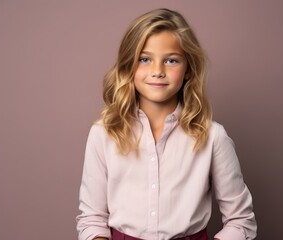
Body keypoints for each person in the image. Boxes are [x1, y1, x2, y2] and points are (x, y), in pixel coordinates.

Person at [76, 8, 257, 240]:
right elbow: (92, 218)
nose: (157, 71)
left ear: (188, 68)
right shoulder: (104, 133)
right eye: (144, 59)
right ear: (127, 65)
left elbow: (241, 221)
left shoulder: (213, 137)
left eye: (171, 60)